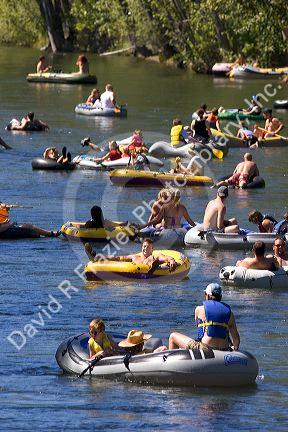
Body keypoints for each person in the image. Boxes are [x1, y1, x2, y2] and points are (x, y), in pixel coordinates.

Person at [169, 283, 240, 351]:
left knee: (173, 336)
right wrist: (234, 348)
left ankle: (170, 362)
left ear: (207, 295)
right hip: (224, 349)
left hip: (205, 348)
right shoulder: (230, 314)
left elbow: (199, 327)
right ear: (220, 296)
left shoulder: (199, 309)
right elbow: (236, 339)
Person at [85, 238, 177, 272]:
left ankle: (152, 267)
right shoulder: (135, 256)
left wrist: (171, 260)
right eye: (144, 246)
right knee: (118, 258)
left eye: (148, 247)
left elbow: (166, 258)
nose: (145, 248)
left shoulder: (155, 256)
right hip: (135, 271)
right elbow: (119, 258)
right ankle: (96, 257)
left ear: (152, 249)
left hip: (151, 269)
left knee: (151, 260)